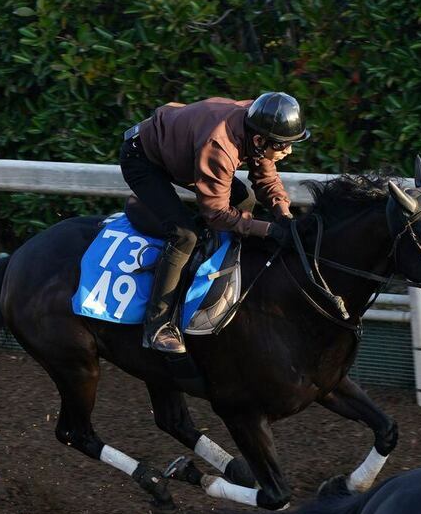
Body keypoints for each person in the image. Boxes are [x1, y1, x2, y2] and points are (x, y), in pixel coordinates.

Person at [119, 92, 309, 354]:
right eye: (282, 145)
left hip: (182, 150)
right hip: (143, 159)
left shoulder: (259, 123)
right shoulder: (220, 144)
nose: (288, 151)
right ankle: (158, 325)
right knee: (185, 235)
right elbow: (216, 214)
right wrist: (269, 229)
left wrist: (284, 216)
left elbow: (265, 179)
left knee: (244, 198)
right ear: (258, 140)